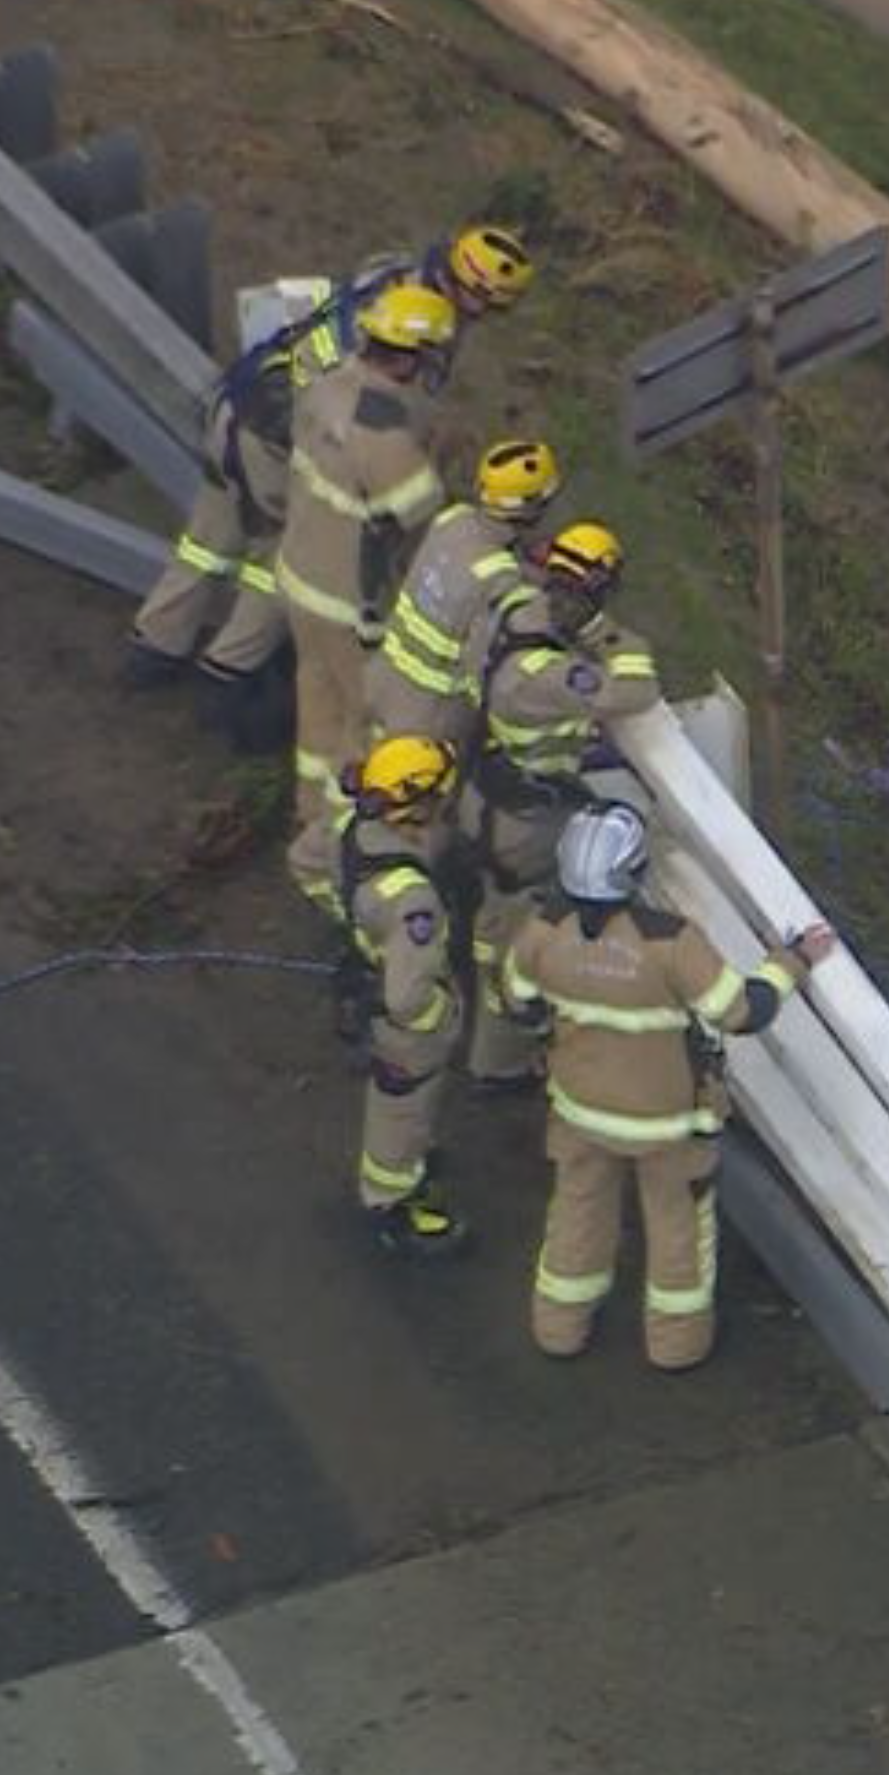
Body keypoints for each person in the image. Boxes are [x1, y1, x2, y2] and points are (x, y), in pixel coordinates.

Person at [122, 224, 538, 713]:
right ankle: (227, 675)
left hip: (240, 403)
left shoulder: (391, 271)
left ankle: (154, 647)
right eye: (480, 302)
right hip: (278, 440)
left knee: (207, 540)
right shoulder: (416, 329)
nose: (482, 314)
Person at [498, 802, 833, 1369]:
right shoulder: (671, 942)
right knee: (678, 1231)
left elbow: (516, 1001)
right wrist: (793, 961)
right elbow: (741, 1012)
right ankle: (676, 1346)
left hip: (579, 1111)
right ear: (632, 870)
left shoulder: (542, 931)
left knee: (576, 1216)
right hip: (669, 1124)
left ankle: (558, 1328)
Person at [198, 280, 458, 909]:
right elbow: (425, 518)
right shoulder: (387, 437)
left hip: (298, 582)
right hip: (352, 604)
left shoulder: (325, 386)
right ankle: (338, 842)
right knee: (361, 723)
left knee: (314, 703)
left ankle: (308, 806)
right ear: (411, 356)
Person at [454, 522, 662, 1090]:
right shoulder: (545, 676)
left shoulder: (512, 611)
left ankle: (480, 990)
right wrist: (602, 631)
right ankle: (497, 1065)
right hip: (524, 825)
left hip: (483, 798)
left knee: (491, 921)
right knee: (516, 944)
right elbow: (636, 686)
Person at [335, 735, 471, 1259]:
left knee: (402, 1112)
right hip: (407, 1033)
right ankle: (394, 1202)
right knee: (403, 1114)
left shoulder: (357, 834)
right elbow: (409, 997)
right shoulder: (414, 903)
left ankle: (397, 1175)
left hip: (368, 980)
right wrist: (445, 1020)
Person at [363, 438, 564, 746]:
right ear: (533, 507)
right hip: (429, 715)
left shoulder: (452, 520)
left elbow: (463, 568)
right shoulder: (500, 578)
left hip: (380, 677)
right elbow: (492, 664)